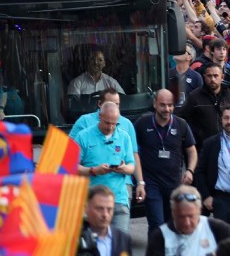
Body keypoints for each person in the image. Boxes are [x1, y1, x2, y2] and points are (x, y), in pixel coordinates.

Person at [135, 89, 197, 235]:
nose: (167, 109)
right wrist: (140, 182)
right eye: (162, 105)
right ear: (155, 104)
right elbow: (133, 151)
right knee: (156, 224)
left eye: (170, 105)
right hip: (151, 183)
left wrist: (190, 170)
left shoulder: (181, 124)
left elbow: (191, 150)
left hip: (174, 183)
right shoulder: (142, 123)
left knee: (172, 225)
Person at [69, 87, 144, 203]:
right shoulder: (84, 122)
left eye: (117, 104)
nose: (113, 108)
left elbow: (134, 155)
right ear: (100, 104)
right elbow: (69, 152)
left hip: (121, 188)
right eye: (110, 103)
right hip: (93, 186)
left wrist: (140, 182)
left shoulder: (127, 124)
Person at [74, 101, 135, 233]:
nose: (111, 127)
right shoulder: (83, 136)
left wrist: (124, 168)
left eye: (114, 123)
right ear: (100, 117)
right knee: (95, 247)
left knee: (119, 245)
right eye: (107, 123)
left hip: (119, 200)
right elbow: (71, 167)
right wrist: (93, 170)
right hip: (93, 201)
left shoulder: (124, 137)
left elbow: (132, 166)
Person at [146, 185, 230, 255]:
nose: (187, 223)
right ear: (173, 212)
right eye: (181, 217)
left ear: (200, 210)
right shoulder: (160, 237)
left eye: (191, 216)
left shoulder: (216, 228)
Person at [179, 62, 230, 151]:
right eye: (209, 76)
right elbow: (181, 119)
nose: (212, 79)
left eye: (215, 76)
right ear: (204, 77)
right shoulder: (194, 97)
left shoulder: (228, 95)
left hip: (226, 147)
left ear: (222, 77)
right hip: (202, 148)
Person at [195, 105, 230, 223]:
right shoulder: (211, 143)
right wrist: (206, 196)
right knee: (223, 239)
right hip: (221, 200)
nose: (229, 121)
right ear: (221, 120)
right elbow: (199, 171)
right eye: (226, 118)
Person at [77, 185, 133, 256]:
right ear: (86, 208)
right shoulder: (74, 240)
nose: (105, 215)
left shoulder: (123, 239)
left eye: (109, 209)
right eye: (99, 209)